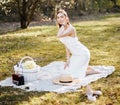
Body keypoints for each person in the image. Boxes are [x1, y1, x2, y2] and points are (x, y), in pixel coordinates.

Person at [56, 9, 99, 80]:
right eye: (58, 17)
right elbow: (66, 45)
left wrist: (64, 25)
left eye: (61, 17)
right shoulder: (61, 29)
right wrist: (68, 60)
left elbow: (58, 36)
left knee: (73, 75)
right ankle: (87, 67)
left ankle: (89, 71)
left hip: (82, 53)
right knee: (65, 72)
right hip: (75, 55)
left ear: (66, 18)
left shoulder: (71, 29)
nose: (59, 19)